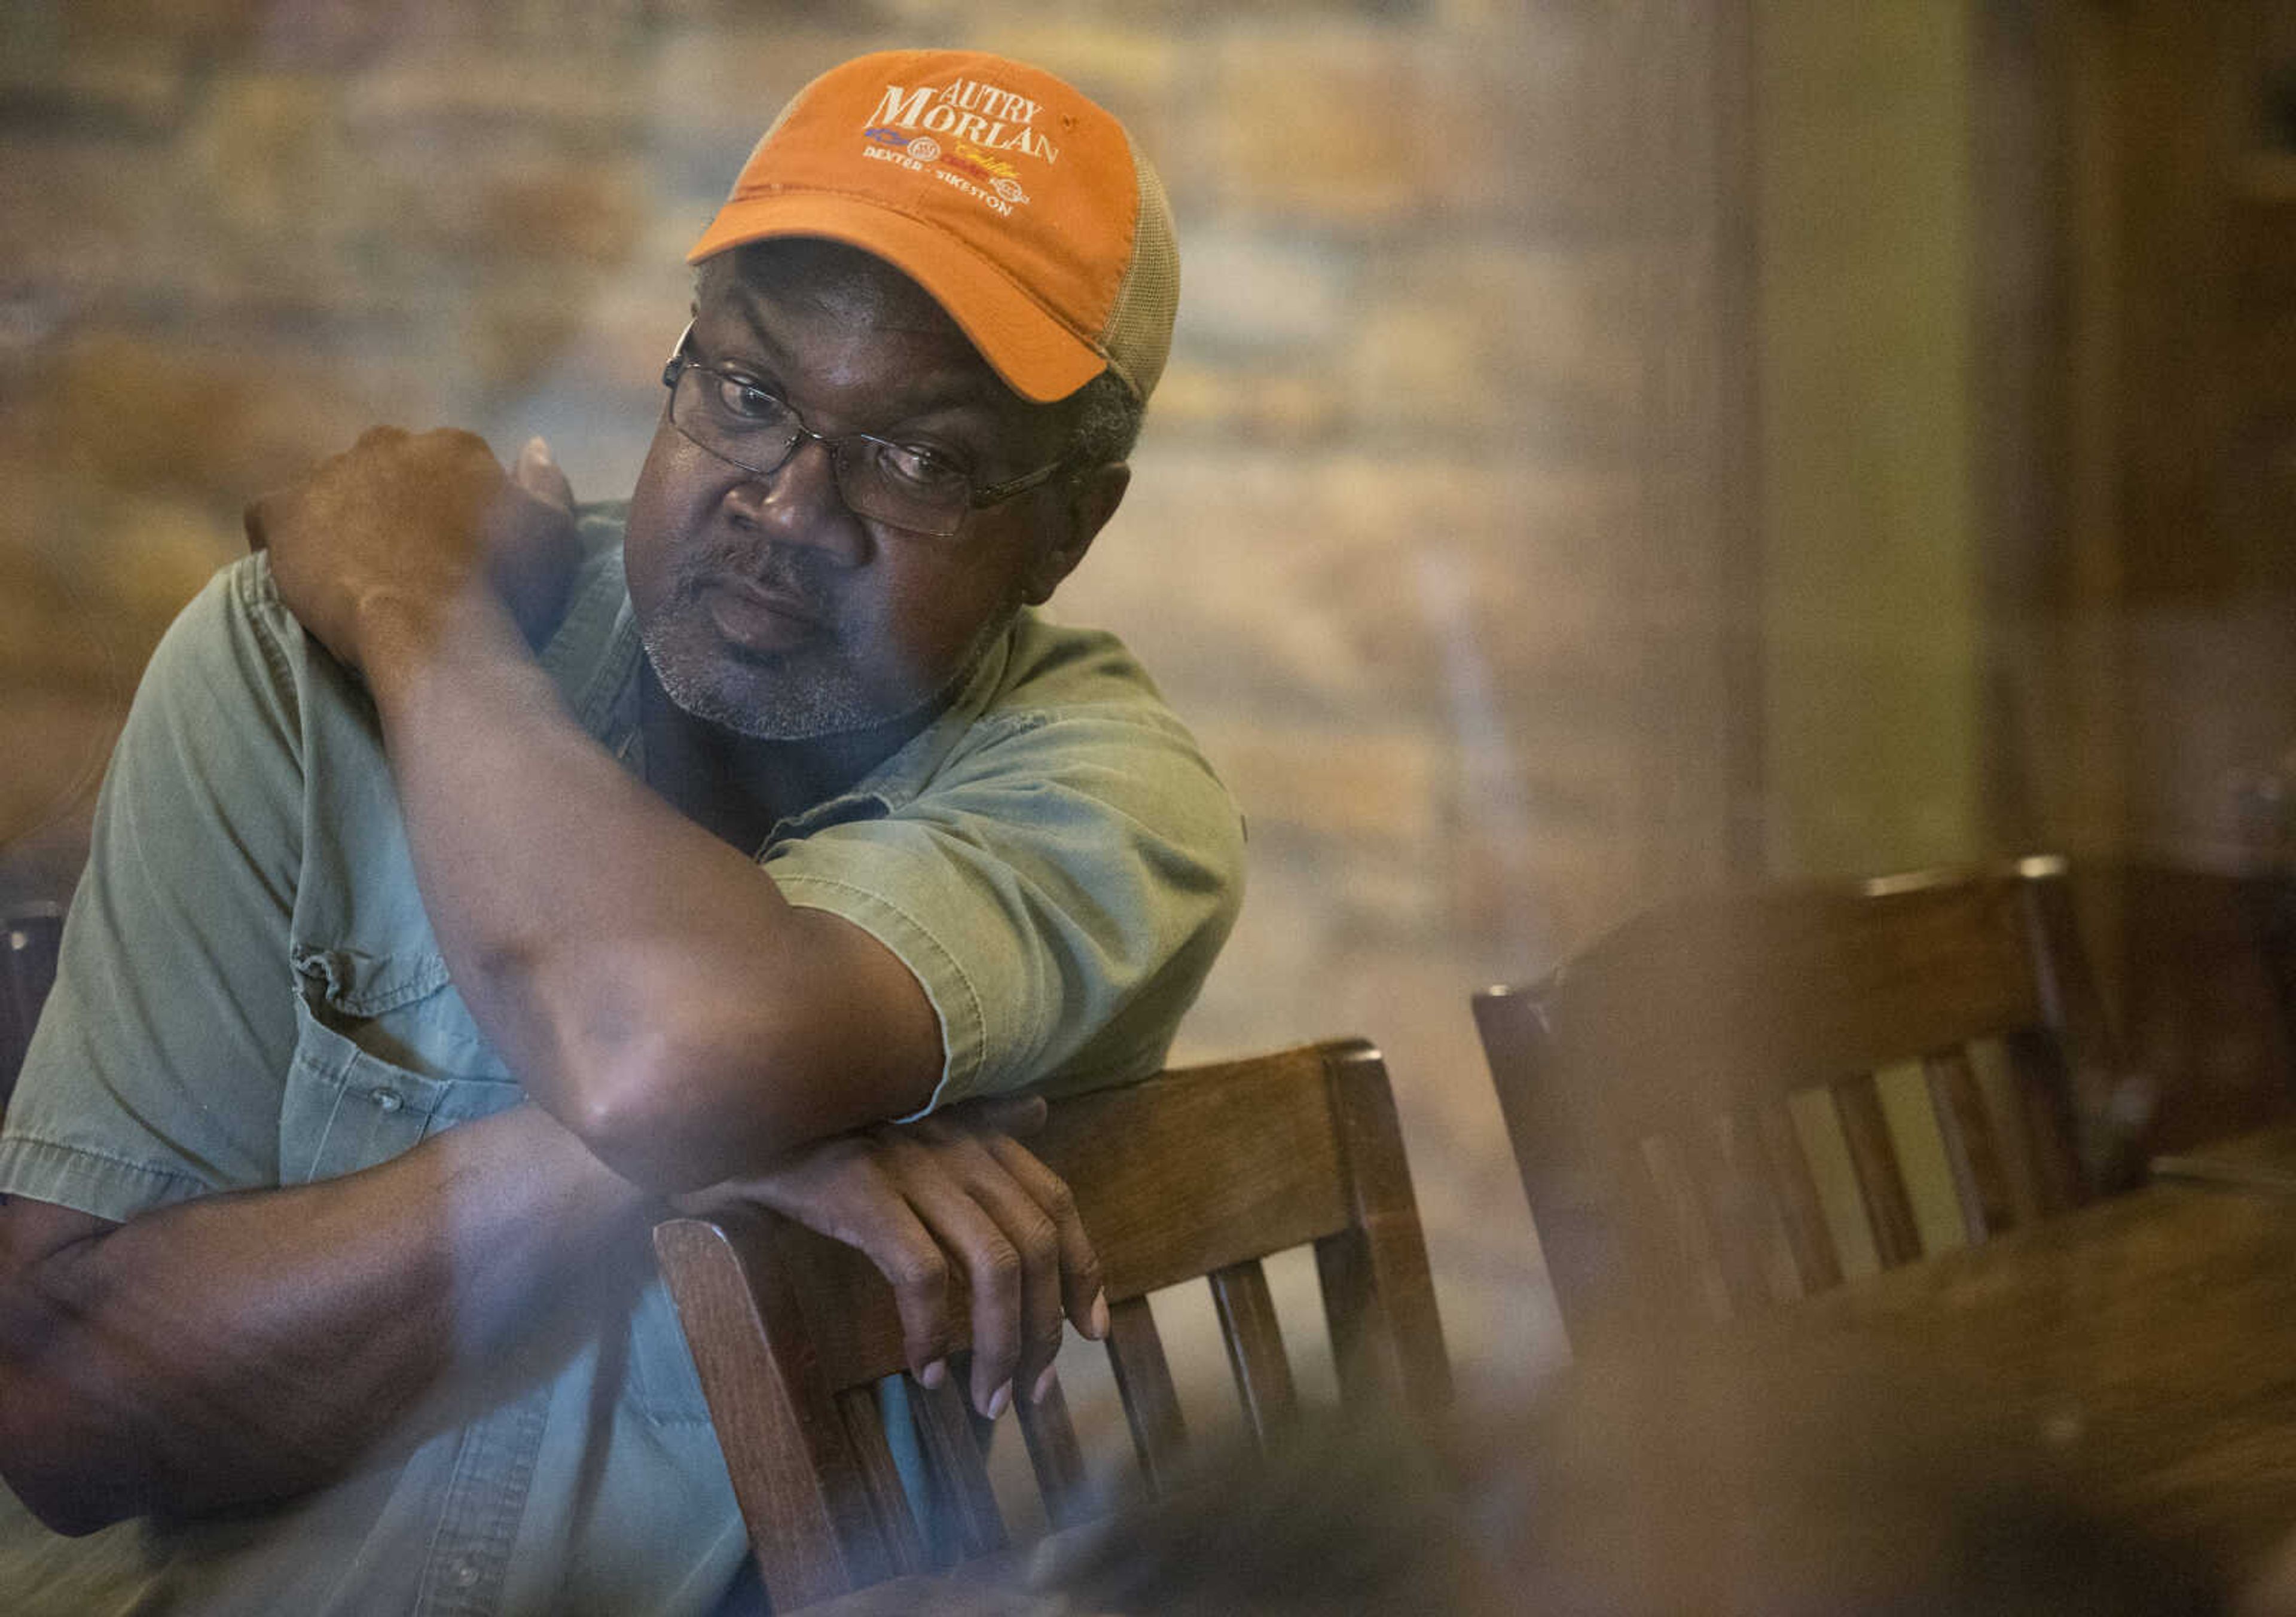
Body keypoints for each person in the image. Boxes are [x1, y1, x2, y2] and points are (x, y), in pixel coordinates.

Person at [0, 48, 1242, 1616]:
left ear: (1072, 527)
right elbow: (59, 1402)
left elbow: (665, 1052)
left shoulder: (1101, 786)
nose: (790, 505)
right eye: (747, 390)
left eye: (920, 456)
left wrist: (412, 607)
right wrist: (691, 1153)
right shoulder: (288, 668)